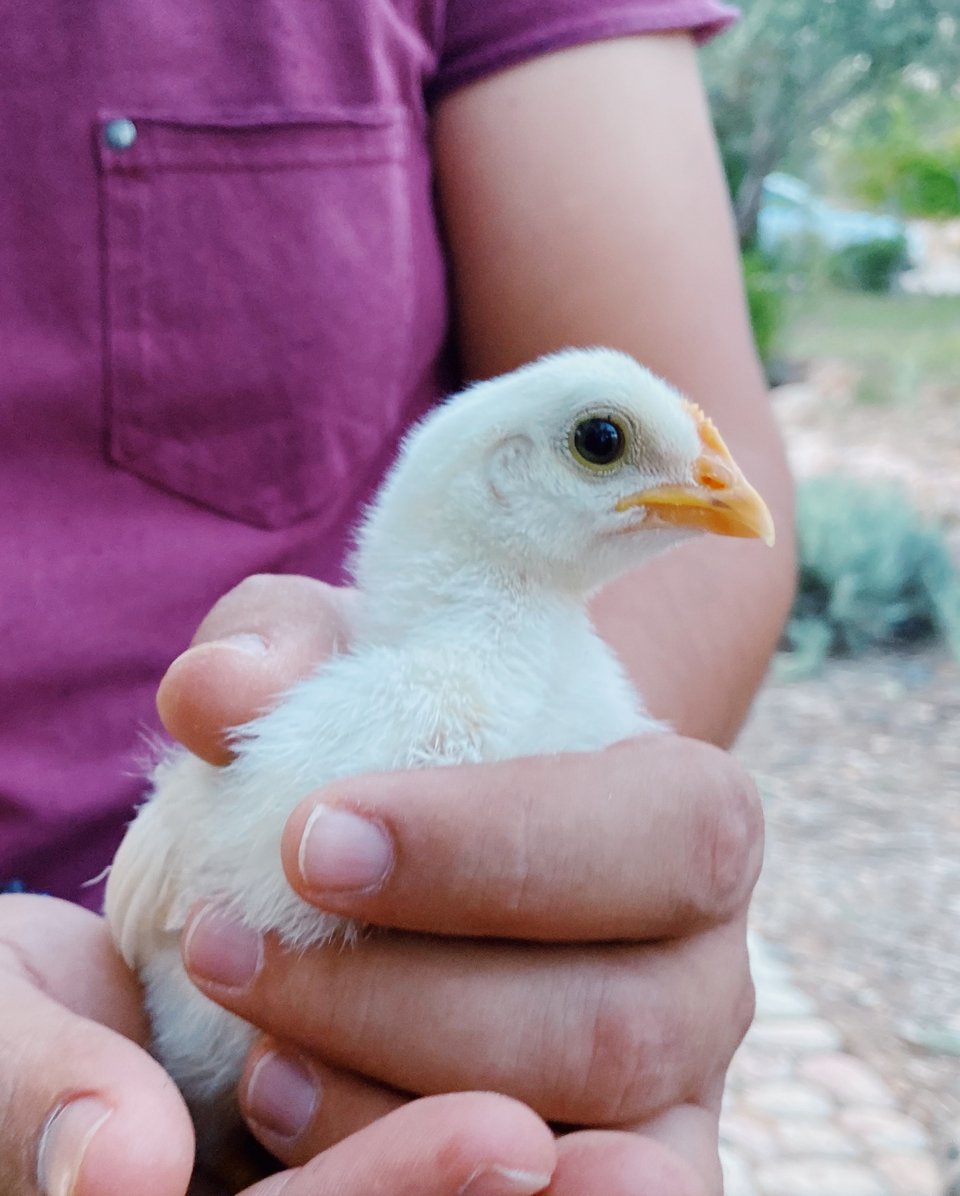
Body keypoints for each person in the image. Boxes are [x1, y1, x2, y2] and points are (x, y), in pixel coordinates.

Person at [0, 3, 796, 1194]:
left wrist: (585, 949)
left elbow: (738, 553)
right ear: (493, 478)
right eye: (601, 443)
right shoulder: (281, 742)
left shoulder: (577, 721)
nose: (710, 490)